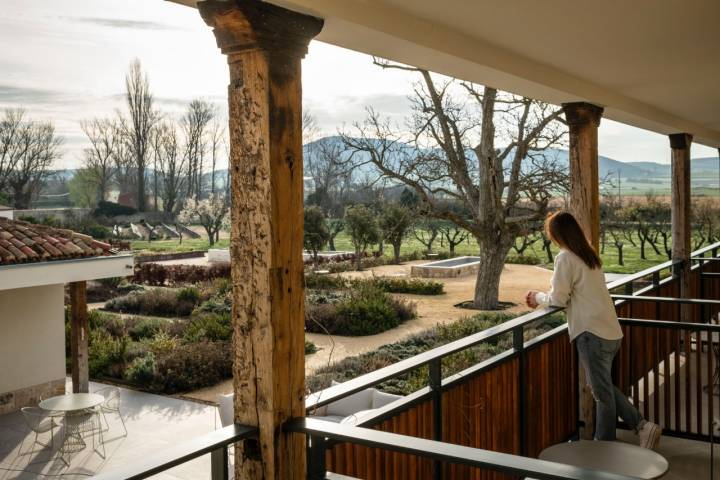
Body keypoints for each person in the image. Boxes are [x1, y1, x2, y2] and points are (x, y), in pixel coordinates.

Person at [525, 211, 661, 449]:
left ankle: (607, 445)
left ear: (557, 235)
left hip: (591, 335)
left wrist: (535, 296)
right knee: (603, 387)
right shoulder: (589, 256)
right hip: (610, 332)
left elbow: (558, 299)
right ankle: (641, 427)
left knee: (602, 394)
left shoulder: (565, 258)